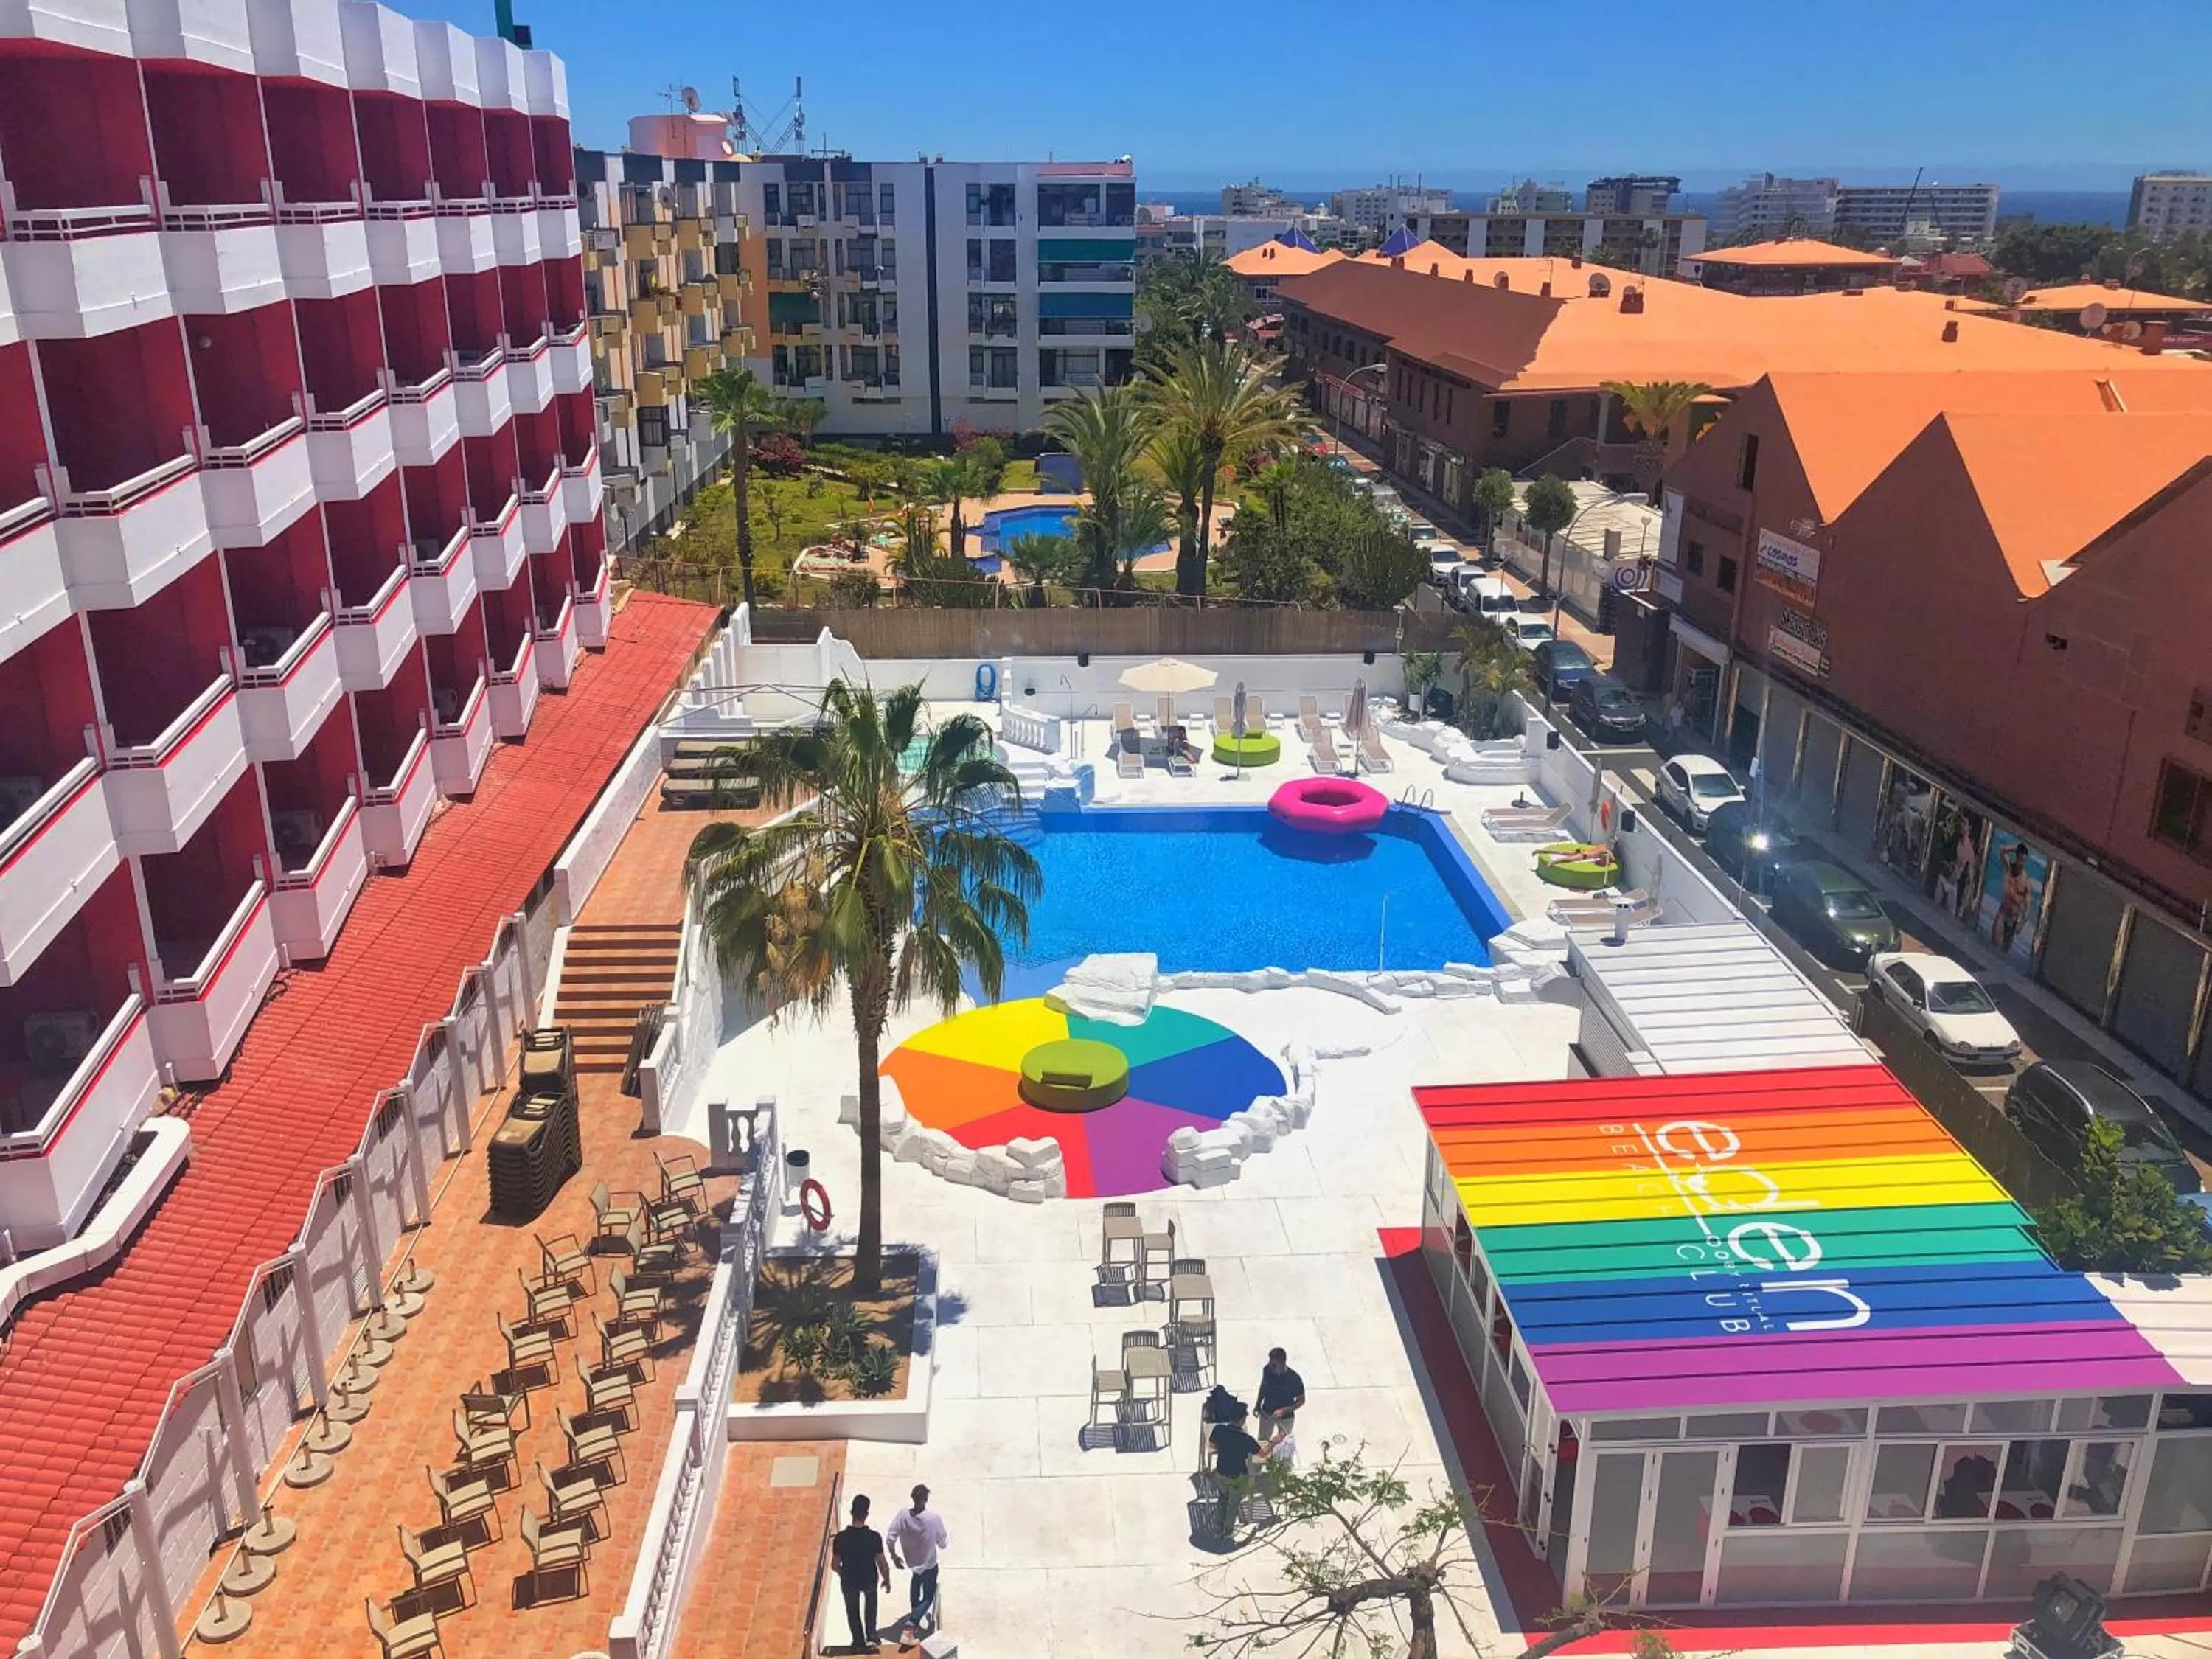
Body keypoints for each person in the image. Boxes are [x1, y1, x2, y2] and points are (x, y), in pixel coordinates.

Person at [886, 1484, 949, 1637]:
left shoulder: (902, 1515)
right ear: (926, 1500)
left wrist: (894, 1557)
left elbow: (890, 1539)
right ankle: (912, 1624)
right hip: (930, 1564)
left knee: (916, 1583)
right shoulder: (934, 1519)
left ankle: (915, 1615)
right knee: (928, 1596)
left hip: (912, 1564)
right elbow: (943, 1544)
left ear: (912, 1498)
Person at [830, 1494, 889, 1654]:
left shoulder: (840, 1538)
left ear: (851, 1512)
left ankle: (858, 1642)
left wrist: (843, 1574)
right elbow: (882, 1564)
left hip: (849, 1580)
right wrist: (887, 1580)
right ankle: (871, 1637)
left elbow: (834, 1564)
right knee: (871, 1607)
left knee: (852, 1611)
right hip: (869, 1579)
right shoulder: (874, 1537)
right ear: (867, 1514)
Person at [1209, 1406, 1262, 1534]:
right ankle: (1228, 1531)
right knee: (1233, 1504)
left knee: (1223, 1499)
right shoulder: (1247, 1439)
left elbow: (1212, 1444)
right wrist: (1275, 1442)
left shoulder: (1219, 1430)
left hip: (1222, 1473)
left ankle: (1218, 1528)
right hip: (1238, 1477)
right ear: (1242, 1419)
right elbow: (1262, 1454)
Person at [1256, 1348, 1306, 1451]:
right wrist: (1258, 1404)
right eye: (1270, 1362)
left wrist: (1285, 1410)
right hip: (1267, 1411)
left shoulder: (1294, 1379)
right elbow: (1264, 1387)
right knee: (1262, 1441)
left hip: (1286, 1417)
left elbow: (1301, 1400)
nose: (1271, 1366)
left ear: (1283, 1362)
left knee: (1284, 1443)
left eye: (1274, 1365)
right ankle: (1260, 1464)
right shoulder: (1267, 1370)